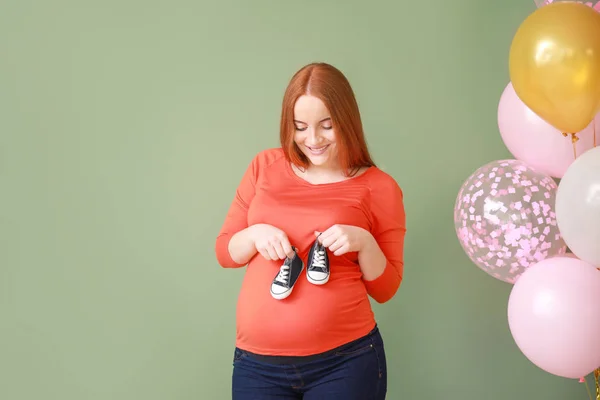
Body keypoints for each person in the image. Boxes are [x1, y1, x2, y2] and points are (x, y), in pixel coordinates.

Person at [215, 62, 406, 399]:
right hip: (257, 365)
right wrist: (256, 233)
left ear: (347, 121)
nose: (313, 139)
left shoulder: (379, 186)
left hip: (345, 362)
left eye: (327, 126)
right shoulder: (264, 166)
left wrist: (363, 243)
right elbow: (225, 252)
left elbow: (386, 288)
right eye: (300, 127)